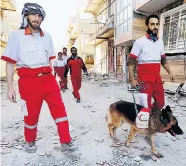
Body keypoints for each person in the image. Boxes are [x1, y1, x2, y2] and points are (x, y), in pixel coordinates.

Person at [1, 3, 76, 153]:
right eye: (33, 15)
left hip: (48, 79)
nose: (37, 18)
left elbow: (49, 60)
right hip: (28, 81)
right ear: (26, 16)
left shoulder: (47, 37)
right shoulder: (16, 36)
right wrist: (10, 88)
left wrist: (54, 78)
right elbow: (10, 63)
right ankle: (30, 141)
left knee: (60, 111)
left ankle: (66, 141)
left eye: (39, 16)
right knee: (31, 114)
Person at [127, 14, 174, 128]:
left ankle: (149, 115)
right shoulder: (140, 42)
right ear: (147, 26)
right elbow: (131, 61)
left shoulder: (160, 42)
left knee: (161, 103)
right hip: (144, 81)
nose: (155, 26)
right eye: (152, 24)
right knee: (145, 104)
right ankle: (145, 127)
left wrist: (170, 72)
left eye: (157, 24)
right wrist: (132, 79)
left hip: (157, 79)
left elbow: (163, 60)